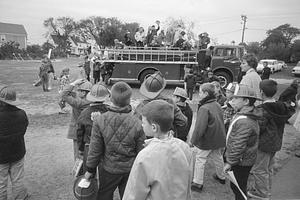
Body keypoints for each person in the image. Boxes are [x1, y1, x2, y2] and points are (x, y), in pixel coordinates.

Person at [84, 82, 145, 200]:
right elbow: (141, 150)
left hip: (108, 169)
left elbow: (95, 149)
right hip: (130, 170)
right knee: (128, 196)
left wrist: (90, 169)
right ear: (129, 100)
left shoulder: (100, 120)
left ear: (111, 98)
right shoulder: (137, 122)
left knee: (104, 196)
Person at [122, 100, 193, 200]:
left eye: (143, 122)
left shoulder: (145, 155)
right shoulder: (185, 148)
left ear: (154, 127)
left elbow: (135, 193)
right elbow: (188, 181)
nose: (142, 125)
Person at [248, 80, 293, 200]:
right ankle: (265, 189)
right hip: (276, 142)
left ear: (261, 92)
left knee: (259, 170)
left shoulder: (263, 109)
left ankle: (262, 193)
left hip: (264, 144)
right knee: (268, 168)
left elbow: (259, 128)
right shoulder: (281, 106)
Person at [223, 84, 261, 200]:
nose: (231, 100)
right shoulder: (243, 115)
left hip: (241, 162)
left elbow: (238, 145)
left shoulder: (245, 121)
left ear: (245, 101)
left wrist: (229, 162)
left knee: (238, 188)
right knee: (237, 186)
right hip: (242, 160)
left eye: (235, 98)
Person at [190, 83, 226, 192]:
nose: (199, 93)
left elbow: (200, 127)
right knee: (217, 157)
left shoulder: (204, 108)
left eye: (200, 92)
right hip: (218, 137)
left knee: (200, 159)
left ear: (205, 94)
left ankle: (197, 183)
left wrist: (193, 141)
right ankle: (221, 177)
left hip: (208, 139)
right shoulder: (217, 104)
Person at [134, 71, 187, 138]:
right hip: (166, 140)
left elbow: (135, 127)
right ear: (161, 88)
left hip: (148, 142)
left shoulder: (141, 106)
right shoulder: (170, 102)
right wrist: (174, 133)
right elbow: (183, 122)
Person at [0, 86, 29, 200]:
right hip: (17, 151)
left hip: (1, 155)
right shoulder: (22, 113)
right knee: (18, 180)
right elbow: (23, 130)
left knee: (1, 182)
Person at [77, 84, 110, 173]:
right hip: (106, 148)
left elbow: (80, 132)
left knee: (88, 172)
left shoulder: (84, 113)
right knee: (104, 173)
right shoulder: (109, 111)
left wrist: (80, 149)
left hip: (89, 147)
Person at [61, 79, 92, 160]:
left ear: (84, 93)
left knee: (78, 155)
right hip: (88, 132)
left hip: (77, 132)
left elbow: (63, 94)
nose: (77, 92)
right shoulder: (90, 101)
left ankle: (79, 172)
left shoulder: (79, 103)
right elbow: (75, 95)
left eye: (79, 90)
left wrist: (74, 83)